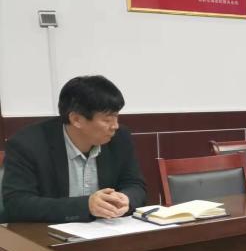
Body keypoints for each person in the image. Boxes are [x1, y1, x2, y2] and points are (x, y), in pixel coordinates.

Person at [2, 75, 146, 223]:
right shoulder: (28, 144)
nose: (115, 126)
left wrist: (126, 199)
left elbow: (135, 185)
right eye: (107, 119)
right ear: (76, 119)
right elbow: (17, 204)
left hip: (107, 230)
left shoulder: (119, 138)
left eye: (116, 117)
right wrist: (86, 206)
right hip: (47, 232)